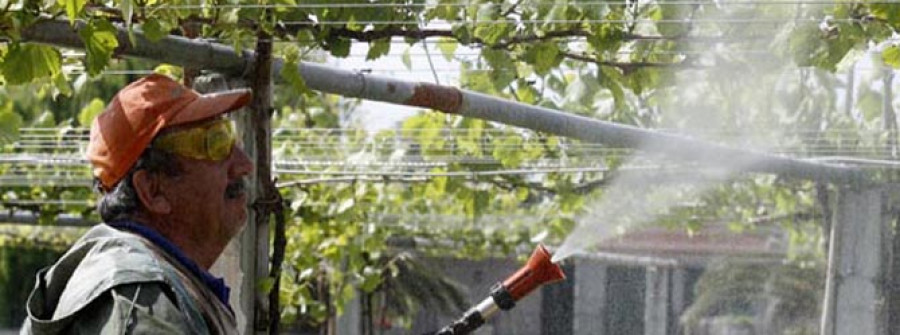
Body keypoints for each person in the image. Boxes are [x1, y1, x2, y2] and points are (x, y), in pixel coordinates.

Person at [21, 74, 254, 334]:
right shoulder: (143, 305)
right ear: (153, 191)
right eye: (215, 143)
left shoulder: (153, 286)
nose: (245, 164)